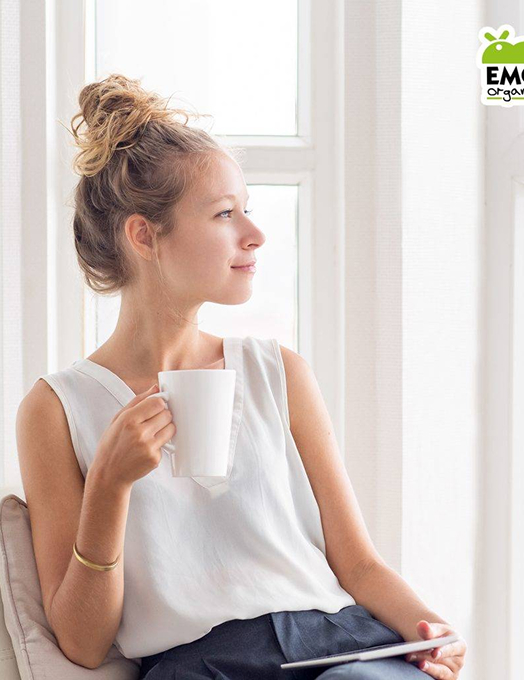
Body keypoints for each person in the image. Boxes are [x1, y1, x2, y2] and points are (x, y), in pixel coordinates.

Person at [16, 73, 467, 679]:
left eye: (246, 210)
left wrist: (430, 630)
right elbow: (82, 644)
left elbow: (358, 564)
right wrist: (108, 486)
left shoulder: (279, 372)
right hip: (202, 668)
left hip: (339, 645)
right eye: (225, 214)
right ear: (144, 236)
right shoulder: (57, 408)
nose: (255, 235)